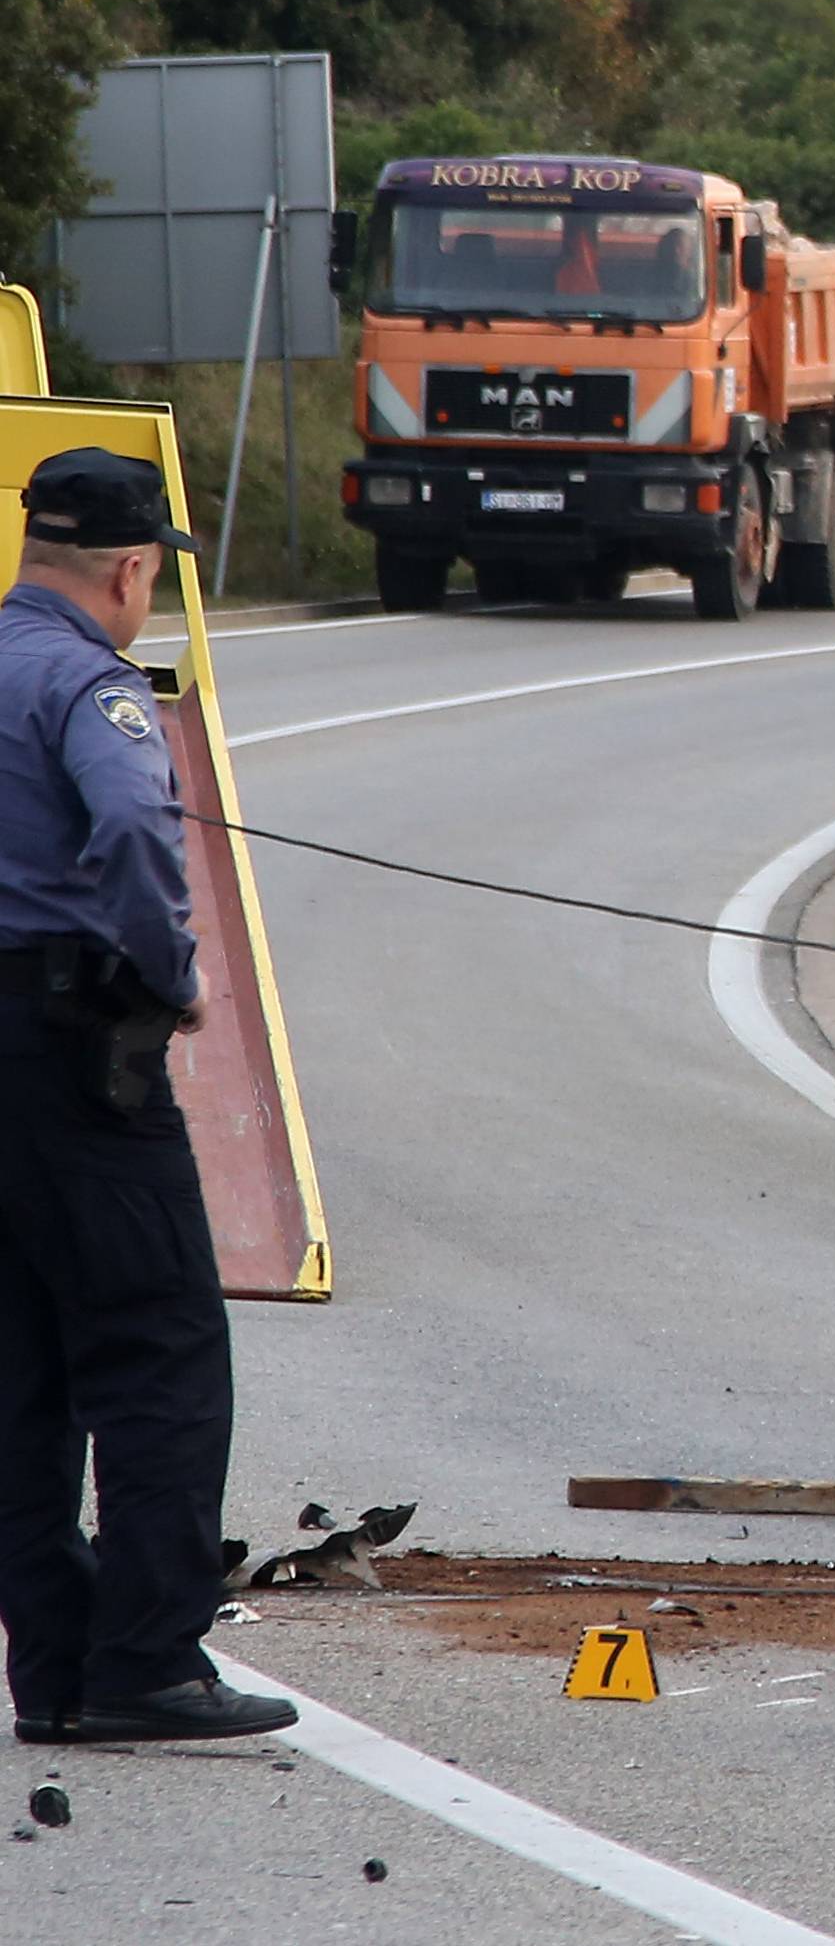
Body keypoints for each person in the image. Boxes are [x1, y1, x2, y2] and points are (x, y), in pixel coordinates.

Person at [0, 449, 296, 1747]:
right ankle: (146, 1662)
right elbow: (129, 833)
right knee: (158, 1349)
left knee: (19, 1370)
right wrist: (169, 974)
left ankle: (54, 1671)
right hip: (77, 1051)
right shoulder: (90, 687)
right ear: (130, 571)